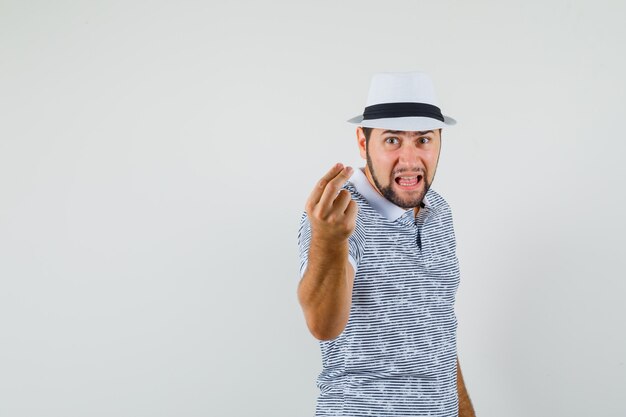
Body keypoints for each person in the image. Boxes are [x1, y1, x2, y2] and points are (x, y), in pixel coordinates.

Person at [297, 72, 475, 417]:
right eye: (392, 141)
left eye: (423, 140)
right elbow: (322, 324)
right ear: (363, 144)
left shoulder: (439, 210)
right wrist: (330, 241)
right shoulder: (340, 213)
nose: (409, 160)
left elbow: (437, 334)